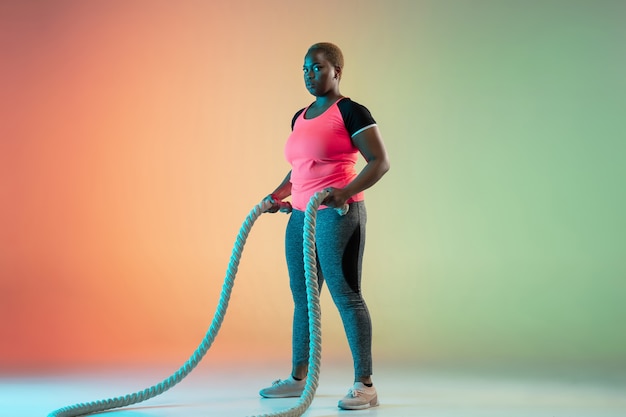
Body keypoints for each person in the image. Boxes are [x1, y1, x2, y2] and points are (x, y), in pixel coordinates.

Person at [259, 42, 390, 410]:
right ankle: (298, 378)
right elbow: (300, 168)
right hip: (300, 217)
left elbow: (379, 161)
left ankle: (365, 385)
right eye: (304, 69)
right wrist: (276, 195)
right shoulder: (299, 116)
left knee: (346, 295)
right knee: (303, 299)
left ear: (336, 71)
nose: (309, 74)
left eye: (317, 68)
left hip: (337, 216)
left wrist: (345, 193)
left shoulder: (350, 111)